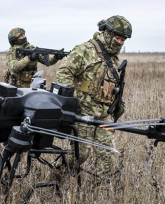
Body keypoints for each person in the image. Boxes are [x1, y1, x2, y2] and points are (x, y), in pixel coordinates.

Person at [56, 15, 132, 186]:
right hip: (83, 112)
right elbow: (63, 73)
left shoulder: (113, 57)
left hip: (104, 115)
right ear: (107, 33)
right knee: (79, 154)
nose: (120, 42)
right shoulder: (85, 50)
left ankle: (97, 195)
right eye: (117, 37)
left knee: (107, 157)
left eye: (123, 39)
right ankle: (56, 180)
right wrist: (73, 102)